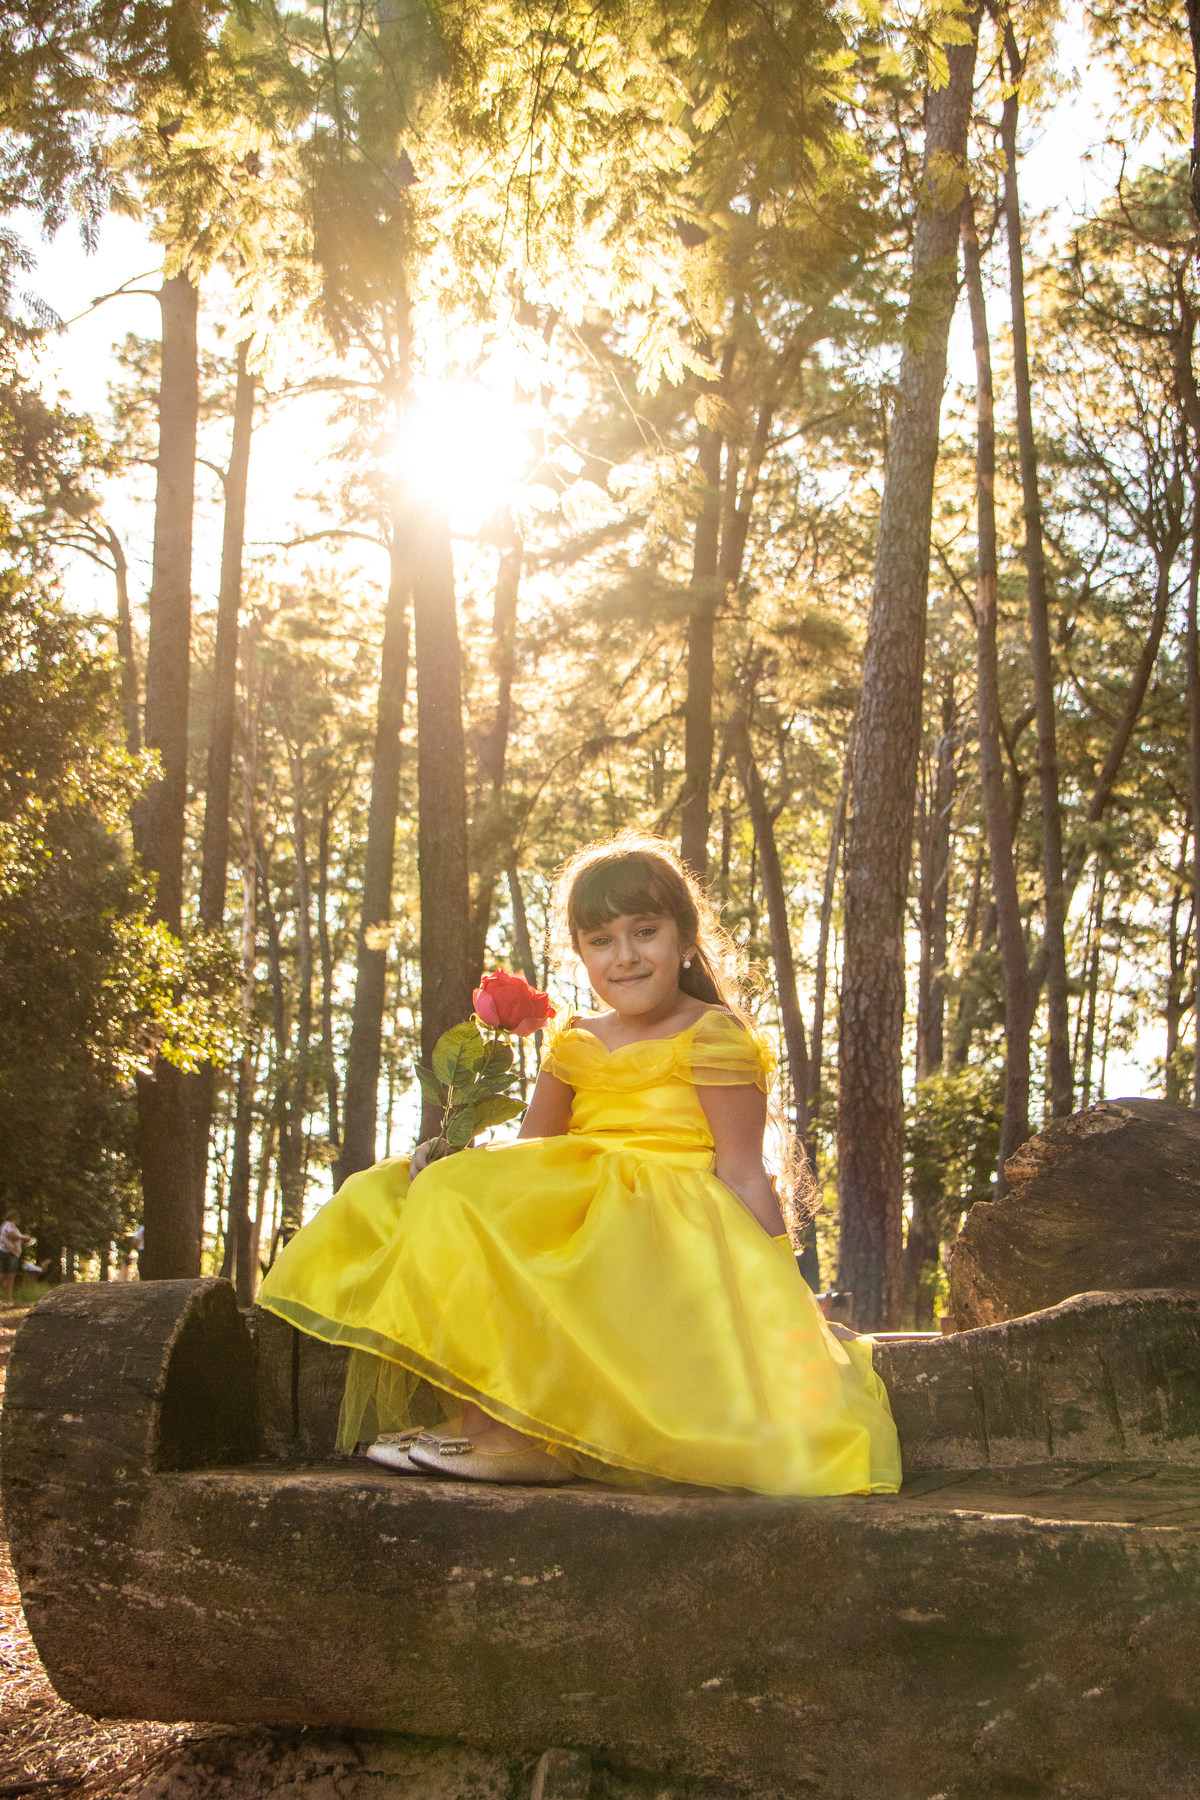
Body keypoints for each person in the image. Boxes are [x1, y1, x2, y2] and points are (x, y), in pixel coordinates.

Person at [259, 833, 901, 1495]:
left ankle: (524, 1437)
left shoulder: (712, 1033)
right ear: (581, 954)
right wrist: (455, 1161)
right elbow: (533, 1158)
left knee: (530, 1222)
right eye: (601, 940)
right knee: (428, 1191)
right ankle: (482, 1421)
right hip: (580, 1194)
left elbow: (741, 1169)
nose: (624, 956)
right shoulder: (575, 1041)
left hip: (664, 1222)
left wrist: (782, 1288)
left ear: (684, 940)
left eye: (644, 932)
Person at [0, 1216, 33, 1305]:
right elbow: (11, 1235)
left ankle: (8, 1298)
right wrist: (24, 1237)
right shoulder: (9, 1224)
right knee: (7, 1275)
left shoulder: (7, 1225)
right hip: (9, 1253)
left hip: (11, 1253)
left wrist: (23, 1239)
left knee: (9, 1276)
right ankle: (8, 1298)